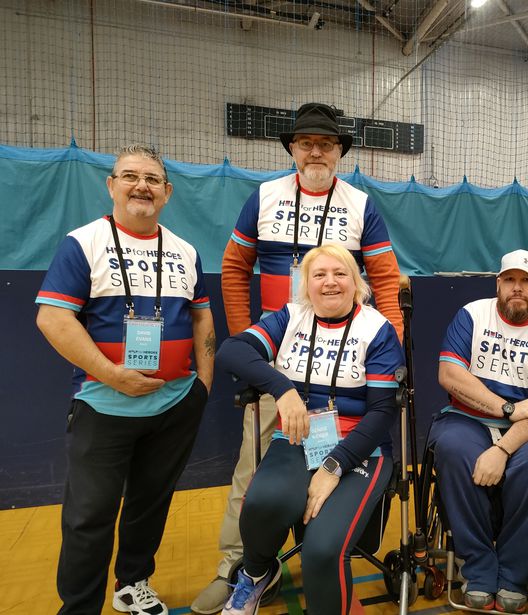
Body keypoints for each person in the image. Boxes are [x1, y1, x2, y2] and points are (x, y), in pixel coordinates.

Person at [193, 102, 402, 613]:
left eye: (326, 144)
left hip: (345, 367)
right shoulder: (263, 196)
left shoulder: (360, 204)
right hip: (280, 363)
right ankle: (240, 569)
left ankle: (321, 559)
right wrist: (252, 350)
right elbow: (234, 265)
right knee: (252, 473)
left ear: (339, 152)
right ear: (291, 148)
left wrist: (388, 343)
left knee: (324, 472)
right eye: (306, 142)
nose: (316, 151)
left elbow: (387, 280)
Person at [35, 145, 215, 615]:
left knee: (150, 504)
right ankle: (79, 608)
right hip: (103, 405)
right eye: (130, 176)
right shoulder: (83, 243)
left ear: (168, 192)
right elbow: (53, 319)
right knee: (88, 517)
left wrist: (203, 386)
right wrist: (113, 375)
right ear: (111, 185)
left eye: (153, 179)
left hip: (174, 405)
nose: (142, 186)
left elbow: (202, 320)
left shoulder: (185, 250)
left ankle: (132, 583)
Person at [215, 243, 404, 615]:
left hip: (361, 447)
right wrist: (282, 389)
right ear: (306, 283)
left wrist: (334, 467)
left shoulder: (377, 330)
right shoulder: (290, 317)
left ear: (356, 282)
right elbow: (230, 352)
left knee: (322, 551)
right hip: (299, 438)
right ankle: (255, 577)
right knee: (262, 503)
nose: (330, 282)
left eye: (340, 273)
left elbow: (382, 412)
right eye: (319, 275)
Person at [429, 249, 528, 613]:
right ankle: (478, 568)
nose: (516, 287)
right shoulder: (472, 315)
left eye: (525, 281)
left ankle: (513, 573)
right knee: (453, 448)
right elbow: (450, 376)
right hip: (468, 417)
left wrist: (502, 449)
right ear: (498, 283)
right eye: (509, 280)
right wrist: (507, 408)